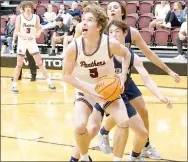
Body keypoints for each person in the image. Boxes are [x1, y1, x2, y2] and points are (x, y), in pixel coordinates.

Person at [71, 0, 180, 160]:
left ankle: (143, 146)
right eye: (109, 8)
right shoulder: (98, 34)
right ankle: (82, 152)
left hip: (123, 82)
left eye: (115, 7)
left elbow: (147, 60)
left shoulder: (131, 34)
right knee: (94, 126)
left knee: (141, 112)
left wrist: (167, 75)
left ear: (123, 11)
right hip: (103, 85)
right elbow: (78, 52)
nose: (112, 10)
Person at [63, 4, 137, 161]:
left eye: (89, 20)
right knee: (79, 126)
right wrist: (90, 91)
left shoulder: (110, 44)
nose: (84, 23)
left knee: (124, 122)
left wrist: (123, 76)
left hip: (106, 90)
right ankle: (84, 158)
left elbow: (127, 55)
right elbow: (66, 76)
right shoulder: (73, 48)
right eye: (83, 19)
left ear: (99, 26)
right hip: (85, 90)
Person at [11, 1, 56, 93]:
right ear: (23, 9)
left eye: (29, 7)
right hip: (22, 42)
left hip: (31, 41)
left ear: (32, 8)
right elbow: (17, 31)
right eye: (26, 7)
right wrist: (24, 35)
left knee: (40, 63)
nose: (28, 9)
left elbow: (39, 29)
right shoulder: (19, 17)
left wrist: (37, 35)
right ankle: (14, 85)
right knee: (19, 65)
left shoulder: (36, 17)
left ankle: (50, 83)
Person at [12, 6, 37, 81]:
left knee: (31, 59)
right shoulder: (19, 18)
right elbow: (15, 31)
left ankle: (33, 75)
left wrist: (32, 37)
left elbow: (35, 29)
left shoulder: (32, 18)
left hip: (29, 41)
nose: (21, 10)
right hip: (21, 42)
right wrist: (13, 40)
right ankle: (18, 76)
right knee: (19, 61)